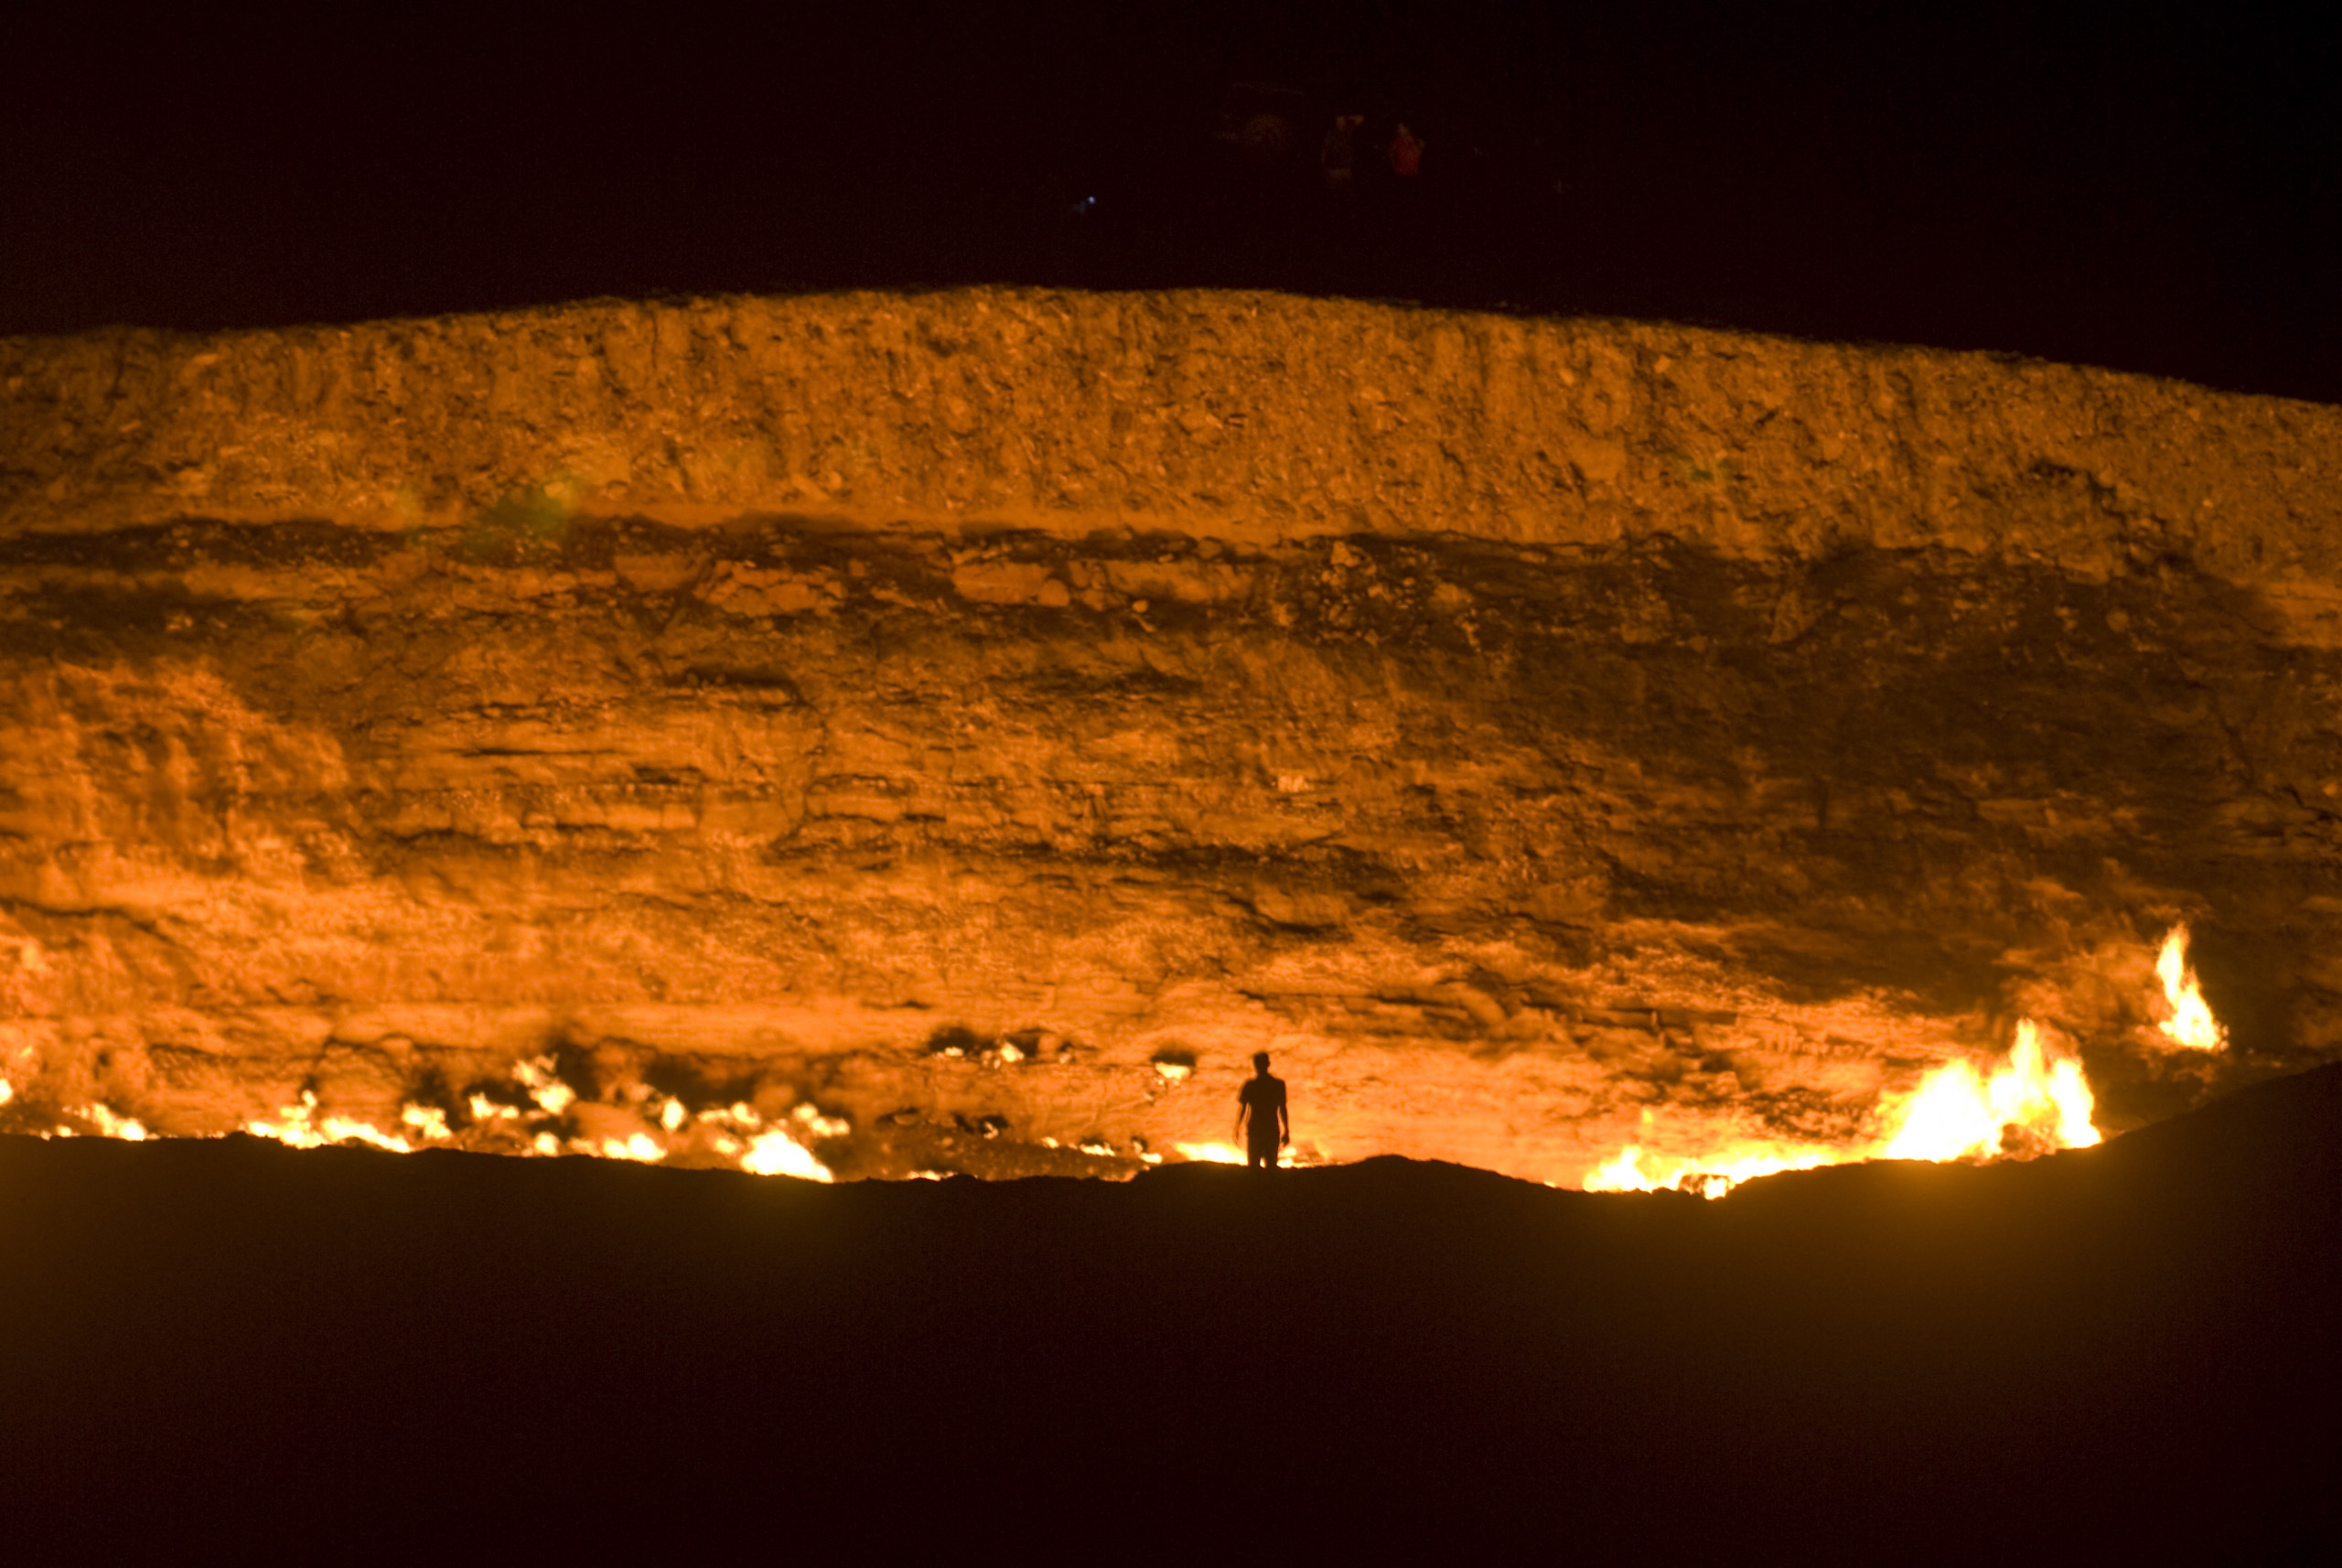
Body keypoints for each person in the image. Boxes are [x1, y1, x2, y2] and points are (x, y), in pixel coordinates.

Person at [1234, 1051, 1289, 1169]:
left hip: (1257, 1129)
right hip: (1270, 1129)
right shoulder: (1278, 1085)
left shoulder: (1250, 1085)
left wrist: (1237, 1128)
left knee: (1254, 1167)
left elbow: (1243, 1108)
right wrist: (1286, 1130)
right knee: (1271, 1166)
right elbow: (1282, 1109)